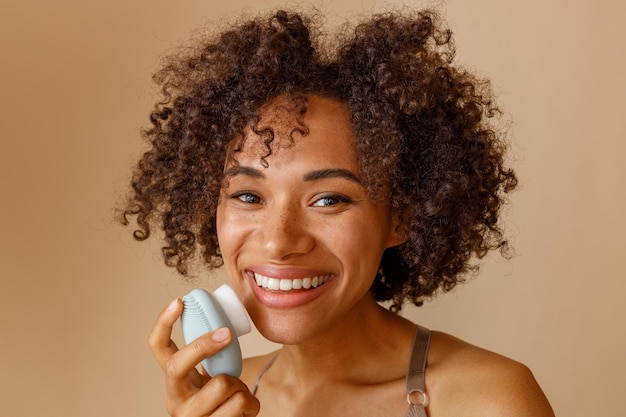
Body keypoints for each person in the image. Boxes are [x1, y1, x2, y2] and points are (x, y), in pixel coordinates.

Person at [120, 9, 555, 417]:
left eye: (329, 200)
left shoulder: (487, 400)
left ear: (401, 216)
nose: (278, 241)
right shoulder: (223, 397)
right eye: (249, 196)